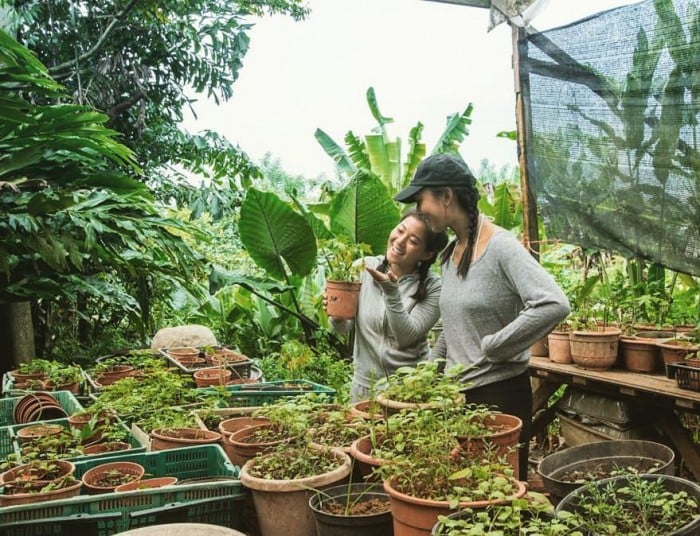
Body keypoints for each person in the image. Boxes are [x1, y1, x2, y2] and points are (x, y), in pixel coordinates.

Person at [394, 153, 570, 481]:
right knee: (465, 501)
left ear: (446, 197)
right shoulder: (449, 256)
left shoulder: (501, 248)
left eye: (422, 201)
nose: (420, 212)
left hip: (499, 398)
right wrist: (429, 377)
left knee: (498, 503)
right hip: (459, 400)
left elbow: (554, 303)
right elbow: (453, 327)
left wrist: (496, 346)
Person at [325, 209, 449, 403]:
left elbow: (406, 337)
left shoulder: (434, 288)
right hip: (363, 388)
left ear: (426, 254)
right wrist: (337, 316)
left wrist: (391, 292)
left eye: (413, 241)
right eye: (400, 231)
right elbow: (342, 329)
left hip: (409, 391)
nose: (400, 241)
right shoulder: (364, 267)